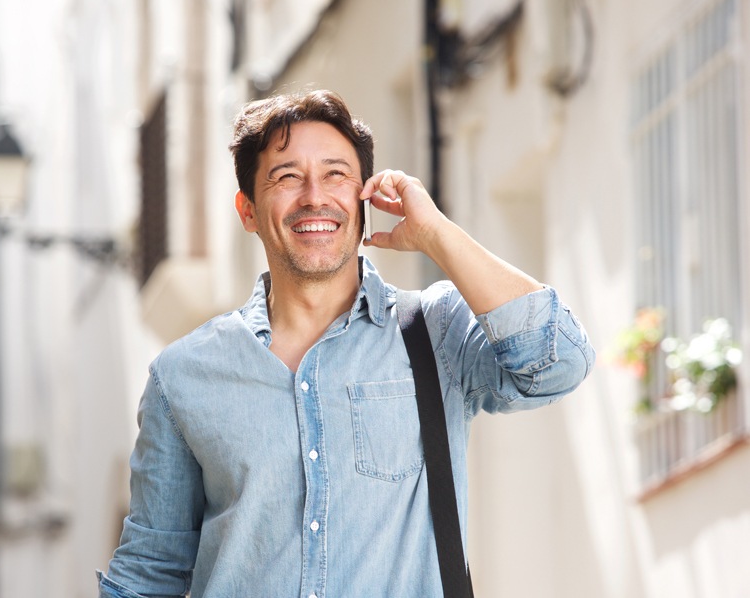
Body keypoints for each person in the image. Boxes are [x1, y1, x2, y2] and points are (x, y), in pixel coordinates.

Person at [97, 89, 594, 597]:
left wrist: (436, 232)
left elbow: (559, 363)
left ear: (363, 198)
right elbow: (148, 575)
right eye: (287, 176)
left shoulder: (435, 332)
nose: (315, 195)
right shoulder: (184, 376)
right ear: (248, 210)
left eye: (336, 174)